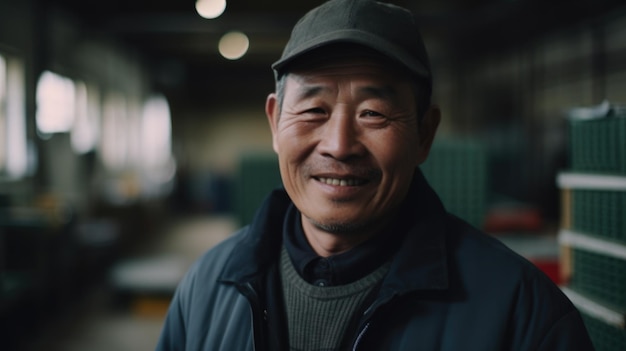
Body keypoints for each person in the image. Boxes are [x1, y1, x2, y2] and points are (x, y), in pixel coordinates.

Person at [156, 0, 595, 350]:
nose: (339, 144)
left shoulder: (521, 313)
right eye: (313, 110)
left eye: (374, 113)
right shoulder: (207, 287)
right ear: (275, 123)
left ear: (424, 134)